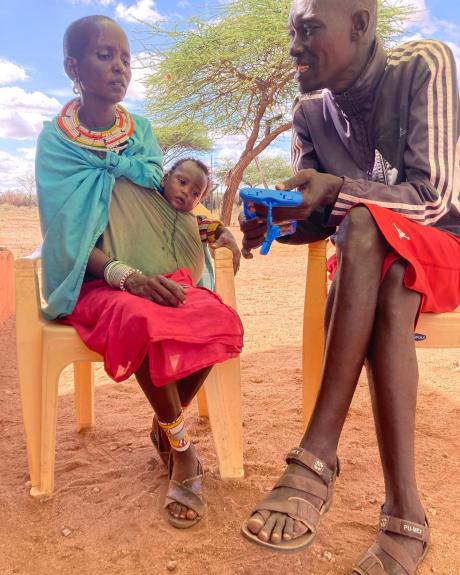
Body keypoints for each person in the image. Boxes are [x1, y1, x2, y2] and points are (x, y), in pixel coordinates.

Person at [240, 0, 460, 573]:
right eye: (293, 31)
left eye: (309, 29)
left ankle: (315, 456)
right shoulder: (308, 111)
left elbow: (433, 198)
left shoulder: (423, 65)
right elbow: (319, 220)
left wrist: (338, 190)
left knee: (363, 224)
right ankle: (405, 511)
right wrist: (280, 221)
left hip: (445, 246)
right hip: (373, 265)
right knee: (370, 250)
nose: (294, 45)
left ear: (361, 24)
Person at [35, 14, 244, 529]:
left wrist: (212, 228)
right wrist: (124, 275)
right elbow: (66, 236)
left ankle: (161, 423)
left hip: (154, 269)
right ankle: (182, 448)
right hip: (91, 280)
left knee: (218, 320)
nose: (119, 67)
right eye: (105, 55)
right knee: (145, 319)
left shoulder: (142, 134)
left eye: (126, 58)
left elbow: (167, 207)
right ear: (72, 67)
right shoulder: (54, 144)